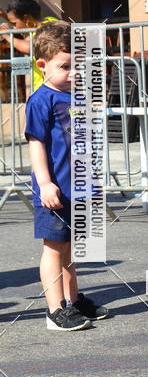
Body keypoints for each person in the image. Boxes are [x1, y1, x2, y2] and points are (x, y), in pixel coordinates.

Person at [25, 22, 109, 330]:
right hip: (55, 191)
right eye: (66, 66)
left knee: (70, 247)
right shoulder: (40, 100)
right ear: (43, 66)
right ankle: (54, 310)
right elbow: (37, 144)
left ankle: (72, 301)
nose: (74, 73)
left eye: (79, 66)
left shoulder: (76, 97)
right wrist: (45, 183)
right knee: (54, 248)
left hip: (79, 188)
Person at [0, 0, 58, 89]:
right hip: (41, 91)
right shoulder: (40, 27)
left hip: (53, 93)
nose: (14, 29)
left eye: (14, 24)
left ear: (26, 18)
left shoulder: (51, 26)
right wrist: (4, 15)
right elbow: (23, 26)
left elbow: (31, 47)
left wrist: (7, 36)